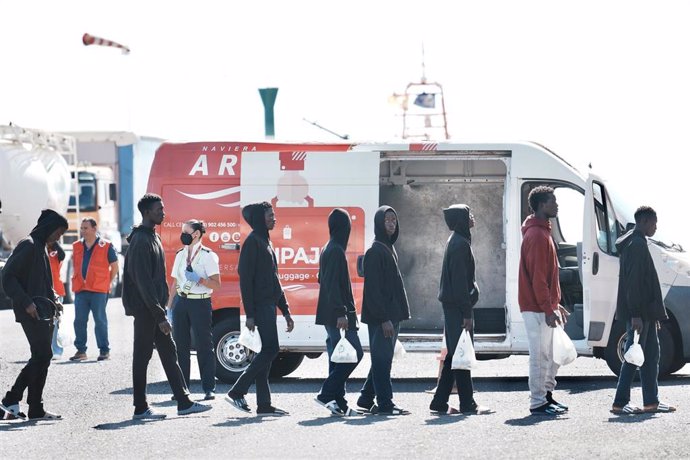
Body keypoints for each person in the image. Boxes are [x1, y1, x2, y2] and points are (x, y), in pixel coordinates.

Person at [122, 194, 211, 420]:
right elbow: (143, 282)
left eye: (163, 208)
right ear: (147, 212)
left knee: (169, 352)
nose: (163, 212)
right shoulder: (141, 241)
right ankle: (140, 408)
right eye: (158, 209)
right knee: (142, 357)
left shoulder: (153, 236)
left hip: (154, 309)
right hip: (147, 311)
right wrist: (159, 314)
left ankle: (183, 402)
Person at [225, 201, 294, 416]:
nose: (274, 218)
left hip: (269, 305)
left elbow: (275, 280)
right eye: (269, 215)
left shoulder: (266, 241)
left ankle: (264, 404)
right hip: (260, 307)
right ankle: (237, 390)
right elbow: (246, 281)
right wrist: (250, 315)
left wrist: (286, 309)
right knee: (271, 350)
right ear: (258, 219)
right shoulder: (252, 243)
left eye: (274, 214)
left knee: (264, 355)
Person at [0, 209, 68, 420]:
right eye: (58, 232)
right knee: (43, 355)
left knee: (42, 358)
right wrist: (27, 302)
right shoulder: (28, 245)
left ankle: (36, 408)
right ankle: (11, 398)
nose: (59, 237)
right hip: (31, 311)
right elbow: (7, 277)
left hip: (43, 311)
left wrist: (54, 298)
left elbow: (41, 282)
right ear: (49, 227)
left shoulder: (41, 248)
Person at [611, 206, 676, 415]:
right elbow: (634, 284)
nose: (656, 228)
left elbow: (644, 284)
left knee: (650, 357)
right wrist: (636, 314)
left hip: (646, 314)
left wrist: (652, 315)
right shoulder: (637, 244)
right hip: (639, 314)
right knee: (633, 357)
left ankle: (651, 402)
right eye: (654, 223)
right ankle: (620, 403)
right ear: (646, 221)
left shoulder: (637, 242)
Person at [430, 204, 488, 415]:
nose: (472, 217)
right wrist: (467, 313)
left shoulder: (456, 240)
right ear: (461, 219)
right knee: (462, 353)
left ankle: (439, 402)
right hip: (458, 308)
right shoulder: (460, 244)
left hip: (453, 306)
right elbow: (460, 283)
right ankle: (467, 403)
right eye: (468, 214)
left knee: (456, 353)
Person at [519, 186, 570, 416]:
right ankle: (537, 402)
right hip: (536, 307)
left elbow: (546, 276)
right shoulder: (538, 235)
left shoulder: (543, 232)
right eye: (553, 201)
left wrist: (554, 304)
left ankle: (546, 397)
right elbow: (538, 278)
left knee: (549, 355)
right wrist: (548, 308)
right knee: (539, 357)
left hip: (541, 306)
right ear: (541, 205)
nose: (556, 205)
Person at [357, 206, 411, 415]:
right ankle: (385, 404)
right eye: (387, 220)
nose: (391, 224)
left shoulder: (388, 247)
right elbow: (373, 291)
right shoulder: (375, 251)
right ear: (379, 223)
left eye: (394, 221)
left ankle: (365, 398)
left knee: (383, 357)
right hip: (383, 318)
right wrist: (384, 319)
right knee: (382, 360)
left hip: (392, 315)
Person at [315, 208, 364, 417]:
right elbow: (333, 284)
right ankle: (326, 394)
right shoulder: (335, 250)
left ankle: (339, 402)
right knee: (354, 354)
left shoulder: (328, 247)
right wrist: (341, 312)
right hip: (338, 314)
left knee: (338, 357)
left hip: (331, 313)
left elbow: (322, 278)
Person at [168, 219, 221, 401]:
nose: (182, 234)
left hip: (200, 302)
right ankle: (183, 389)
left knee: (204, 346)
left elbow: (217, 283)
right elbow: (175, 282)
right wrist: (169, 307)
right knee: (180, 346)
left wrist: (199, 279)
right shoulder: (180, 254)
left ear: (196, 233)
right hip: (182, 303)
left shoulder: (208, 256)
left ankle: (208, 388)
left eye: (186, 231)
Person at [70, 218, 118, 362]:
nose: (83, 231)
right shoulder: (76, 245)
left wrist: (107, 282)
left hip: (99, 290)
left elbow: (114, 266)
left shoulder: (106, 245)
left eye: (85, 228)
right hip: (81, 289)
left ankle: (104, 350)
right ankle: (81, 350)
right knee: (79, 321)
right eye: (82, 228)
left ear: (94, 228)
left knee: (100, 321)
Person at [48, 241, 66, 359]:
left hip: (57, 291)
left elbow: (63, 255)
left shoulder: (55, 254)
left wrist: (53, 243)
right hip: (43, 291)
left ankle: (56, 349)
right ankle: (47, 349)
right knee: (46, 323)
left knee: (55, 322)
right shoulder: (38, 252)